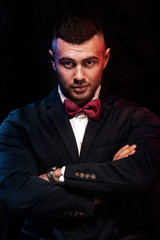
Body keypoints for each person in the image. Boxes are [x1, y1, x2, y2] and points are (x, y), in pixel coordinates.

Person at [0, 12, 160, 240]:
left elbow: (141, 178)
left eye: (89, 63)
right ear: (52, 61)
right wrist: (107, 189)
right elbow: (14, 195)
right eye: (67, 63)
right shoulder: (18, 123)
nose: (78, 76)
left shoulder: (140, 119)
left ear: (105, 59)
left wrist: (57, 175)